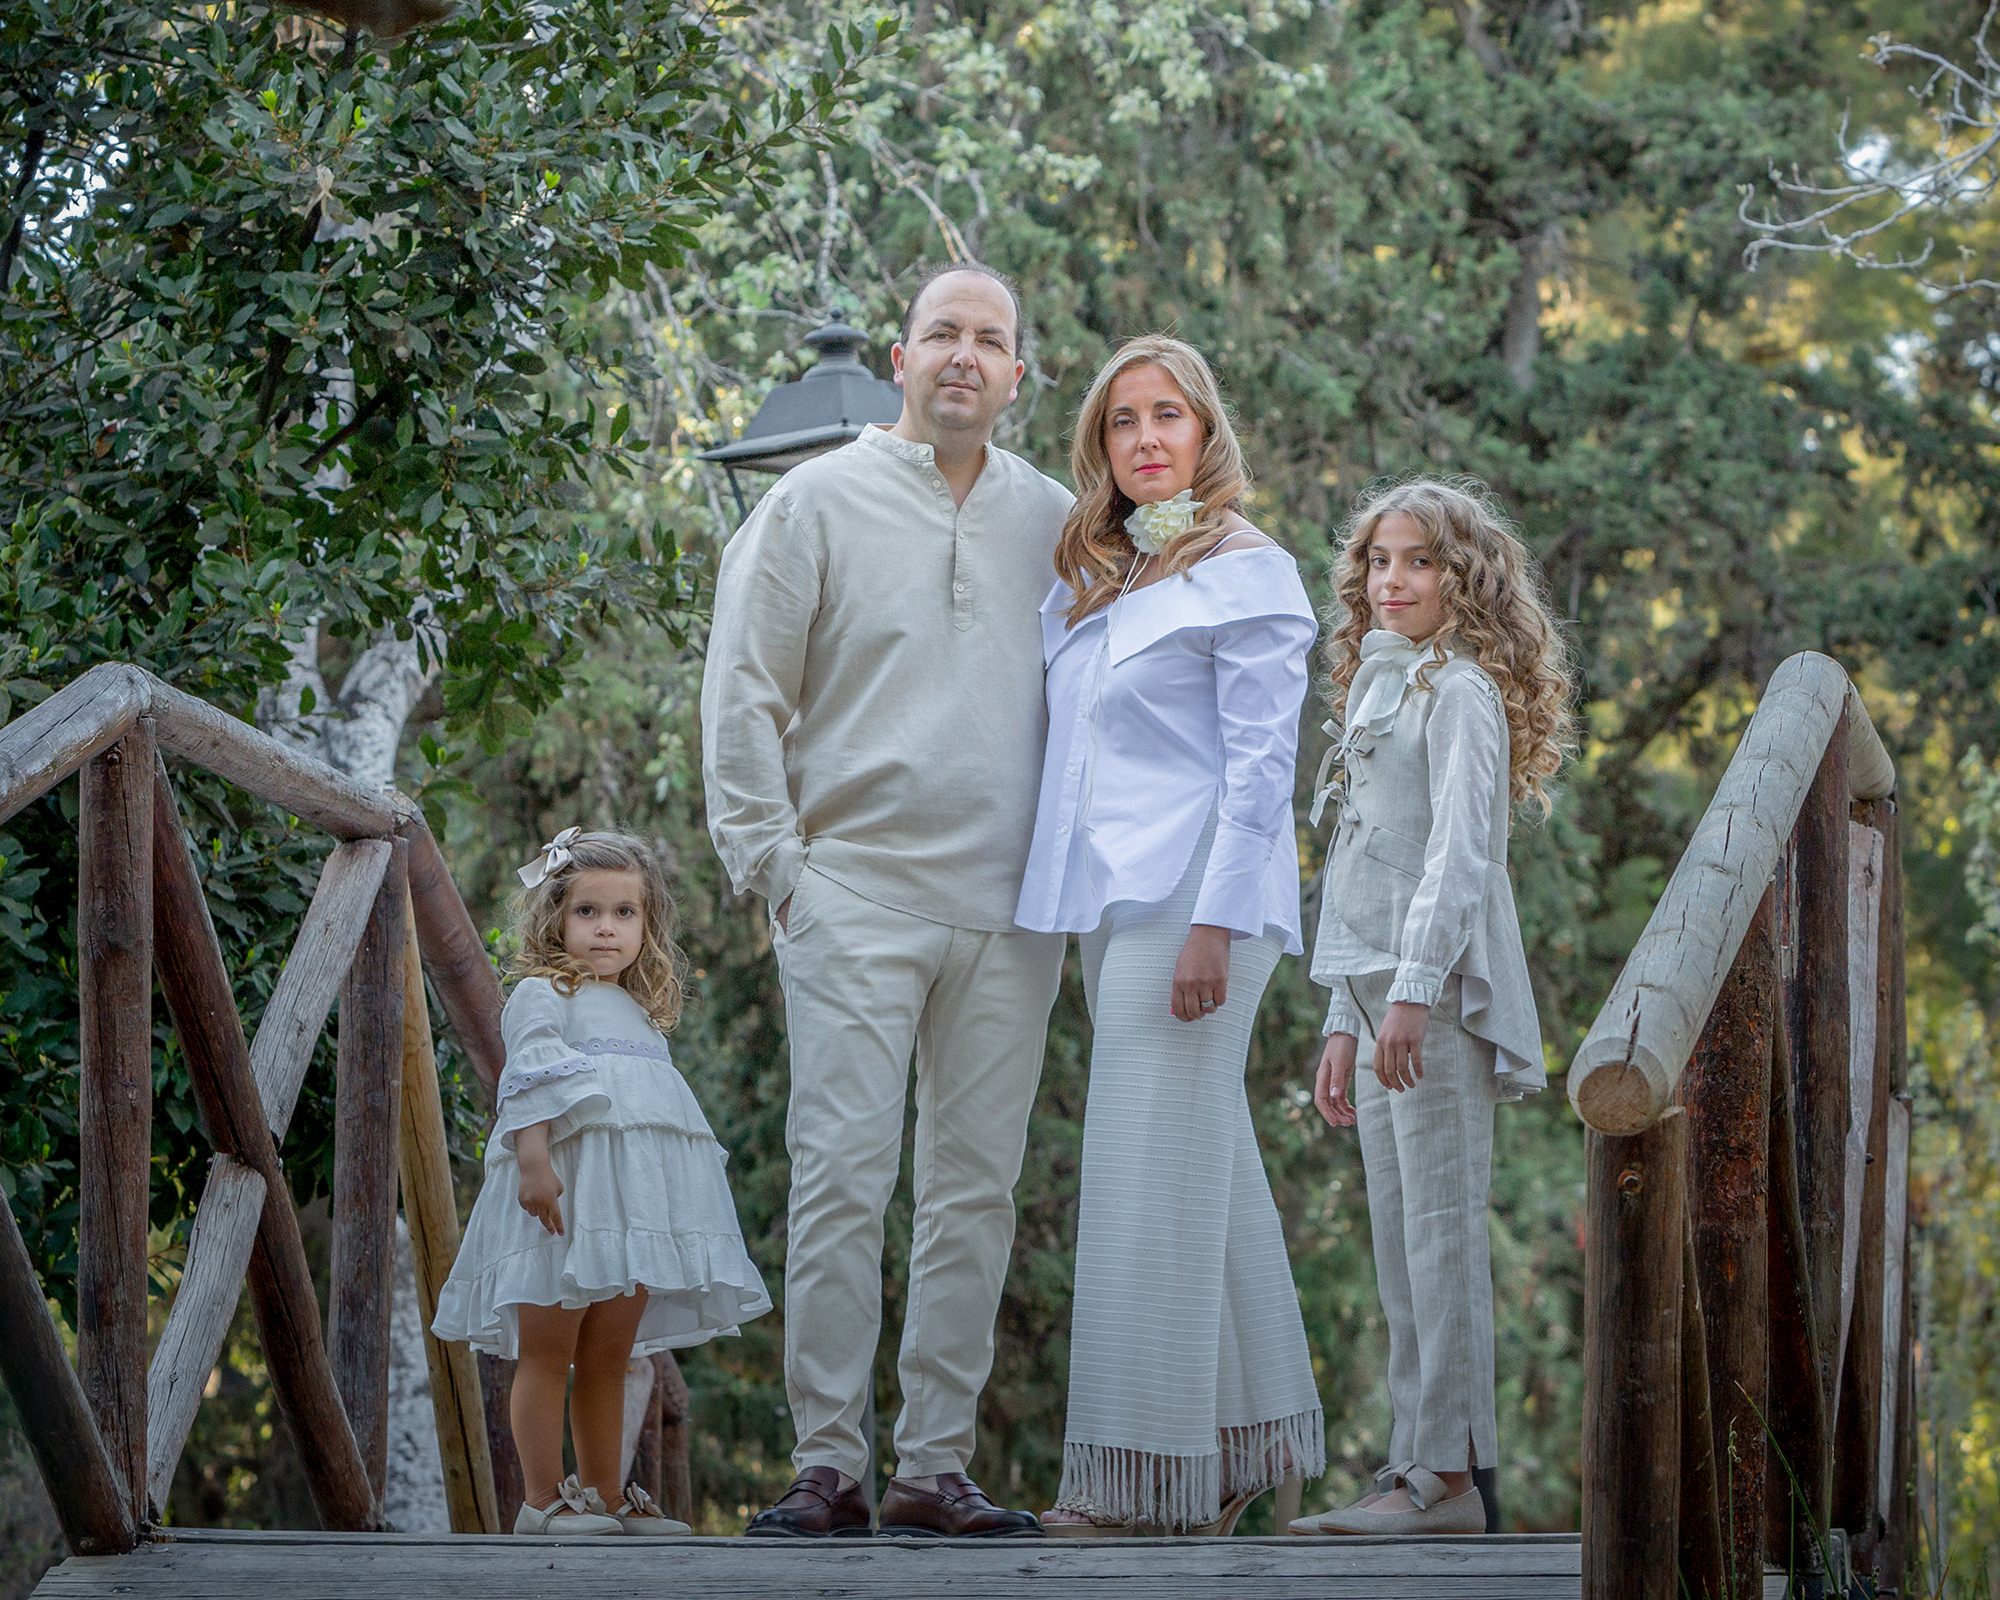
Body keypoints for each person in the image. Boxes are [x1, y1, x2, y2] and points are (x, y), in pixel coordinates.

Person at [700, 263, 1073, 1539]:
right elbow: (742, 690)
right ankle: (826, 1462)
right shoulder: (812, 501)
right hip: (851, 891)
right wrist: (775, 867)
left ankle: (932, 1465)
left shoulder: (1062, 521)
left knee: (975, 1189)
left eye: (990, 339)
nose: (963, 356)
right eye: (941, 335)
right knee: (841, 1180)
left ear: (1018, 374)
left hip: (1015, 911)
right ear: (902, 360)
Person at [1015, 335, 1325, 1536]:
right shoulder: (1099, 580)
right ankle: (1244, 1450)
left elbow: (1258, 770)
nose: (1145, 439)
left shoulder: (1250, 570)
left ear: (1206, 434)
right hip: (1114, 904)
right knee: (1203, 1154)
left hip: (1202, 902)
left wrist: (1215, 922)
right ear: (1099, 445)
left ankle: (1135, 1480)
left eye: (1168, 417)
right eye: (1121, 422)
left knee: (1139, 1170)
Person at [1289, 477, 1575, 1536]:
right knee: (1396, 1239)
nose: (1392, 580)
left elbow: (1459, 860)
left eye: (1417, 562)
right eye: (1377, 561)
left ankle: (1447, 1478)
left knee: (1441, 1233)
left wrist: (1408, 994)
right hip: (1369, 997)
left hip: (1433, 996)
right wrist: (1339, 1014)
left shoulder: (1456, 691)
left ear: (1463, 580)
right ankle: (1415, 1461)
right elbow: (1360, 858)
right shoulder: (1378, 683)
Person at [433, 828, 772, 1536]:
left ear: (648, 924)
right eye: (588, 912)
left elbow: (645, 1128)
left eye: (625, 913)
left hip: (630, 1214)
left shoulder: (644, 1016)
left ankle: (604, 1496)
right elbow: (525, 1077)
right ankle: (539, 1502)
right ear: (556, 916)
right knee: (550, 1350)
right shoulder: (541, 992)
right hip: (560, 1201)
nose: (606, 929)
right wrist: (533, 1164)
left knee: (610, 1357)